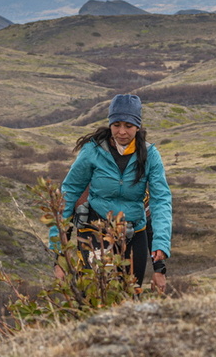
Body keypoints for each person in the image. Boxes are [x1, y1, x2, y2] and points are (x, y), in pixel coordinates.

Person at [49, 94, 172, 288]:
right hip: (95, 233)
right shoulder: (92, 151)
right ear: (110, 124)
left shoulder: (150, 155)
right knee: (96, 294)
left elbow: (160, 201)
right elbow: (69, 192)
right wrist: (59, 256)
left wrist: (160, 261)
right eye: (116, 125)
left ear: (138, 126)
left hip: (134, 233)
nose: (122, 132)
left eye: (128, 126)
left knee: (130, 294)